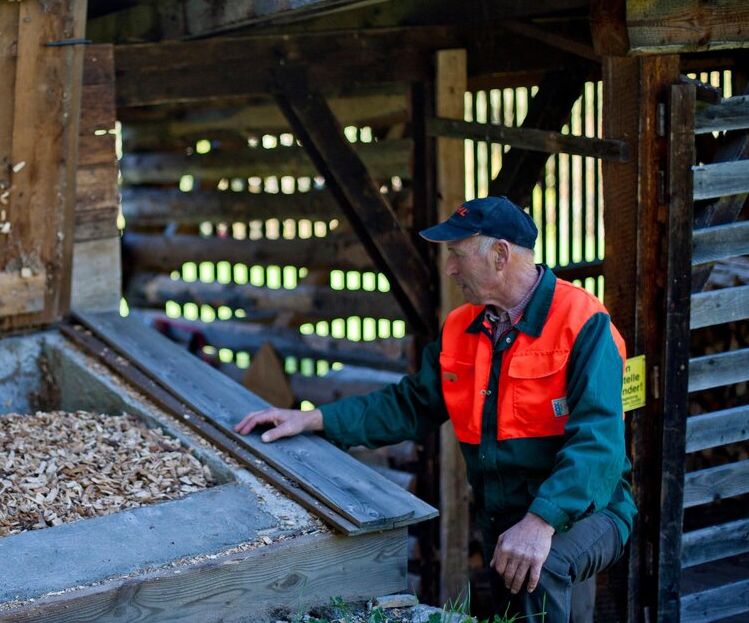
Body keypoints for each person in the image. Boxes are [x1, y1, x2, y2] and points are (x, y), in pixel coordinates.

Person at [234, 196, 634, 623]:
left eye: (457, 255)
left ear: (500, 255)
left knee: (544, 564)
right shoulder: (461, 327)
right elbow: (410, 404)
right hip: (505, 520)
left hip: (590, 509)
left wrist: (541, 520)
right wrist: (314, 418)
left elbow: (598, 443)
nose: (450, 269)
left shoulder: (584, 322)